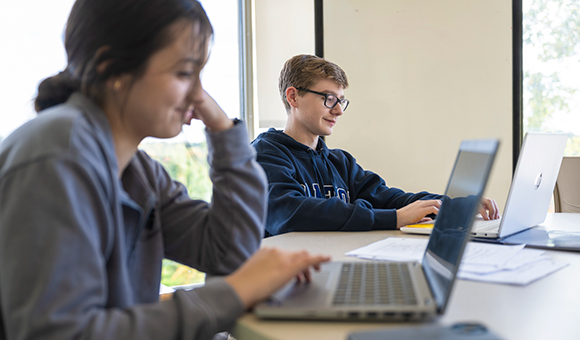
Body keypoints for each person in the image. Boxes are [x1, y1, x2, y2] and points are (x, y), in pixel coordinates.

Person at [0, 2, 329, 339]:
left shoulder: (136, 170)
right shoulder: (58, 158)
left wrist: (224, 132)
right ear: (112, 69)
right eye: (185, 73)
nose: (198, 94)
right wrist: (236, 292)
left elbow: (227, 252)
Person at [251, 54, 499, 237]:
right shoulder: (264, 155)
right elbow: (289, 213)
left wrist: (454, 205)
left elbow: (392, 199)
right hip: (284, 283)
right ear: (293, 96)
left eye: (341, 101)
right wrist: (394, 219)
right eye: (328, 99)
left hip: (331, 262)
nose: (338, 110)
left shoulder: (340, 162)